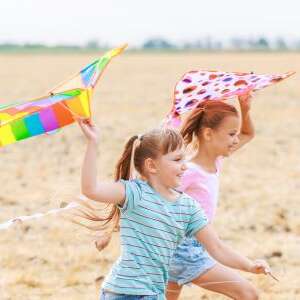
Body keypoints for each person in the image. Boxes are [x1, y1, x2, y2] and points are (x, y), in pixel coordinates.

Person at [77, 118, 270, 300]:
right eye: (177, 160)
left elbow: (217, 248)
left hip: (152, 294)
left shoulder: (188, 207)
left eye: (184, 160)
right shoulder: (134, 193)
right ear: (152, 166)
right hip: (120, 291)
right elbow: (90, 189)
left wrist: (250, 265)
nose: (185, 166)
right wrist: (92, 143)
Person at [167, 94, 260, 300]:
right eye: (230, 134)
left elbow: (248, 133)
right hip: (183, 250)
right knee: (248, 294)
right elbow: (154, 198)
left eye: (235, 134)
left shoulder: (216, 161)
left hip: (187, 245)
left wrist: (245, 109)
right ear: (208, 134)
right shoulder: (189, 171)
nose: (236, 140)